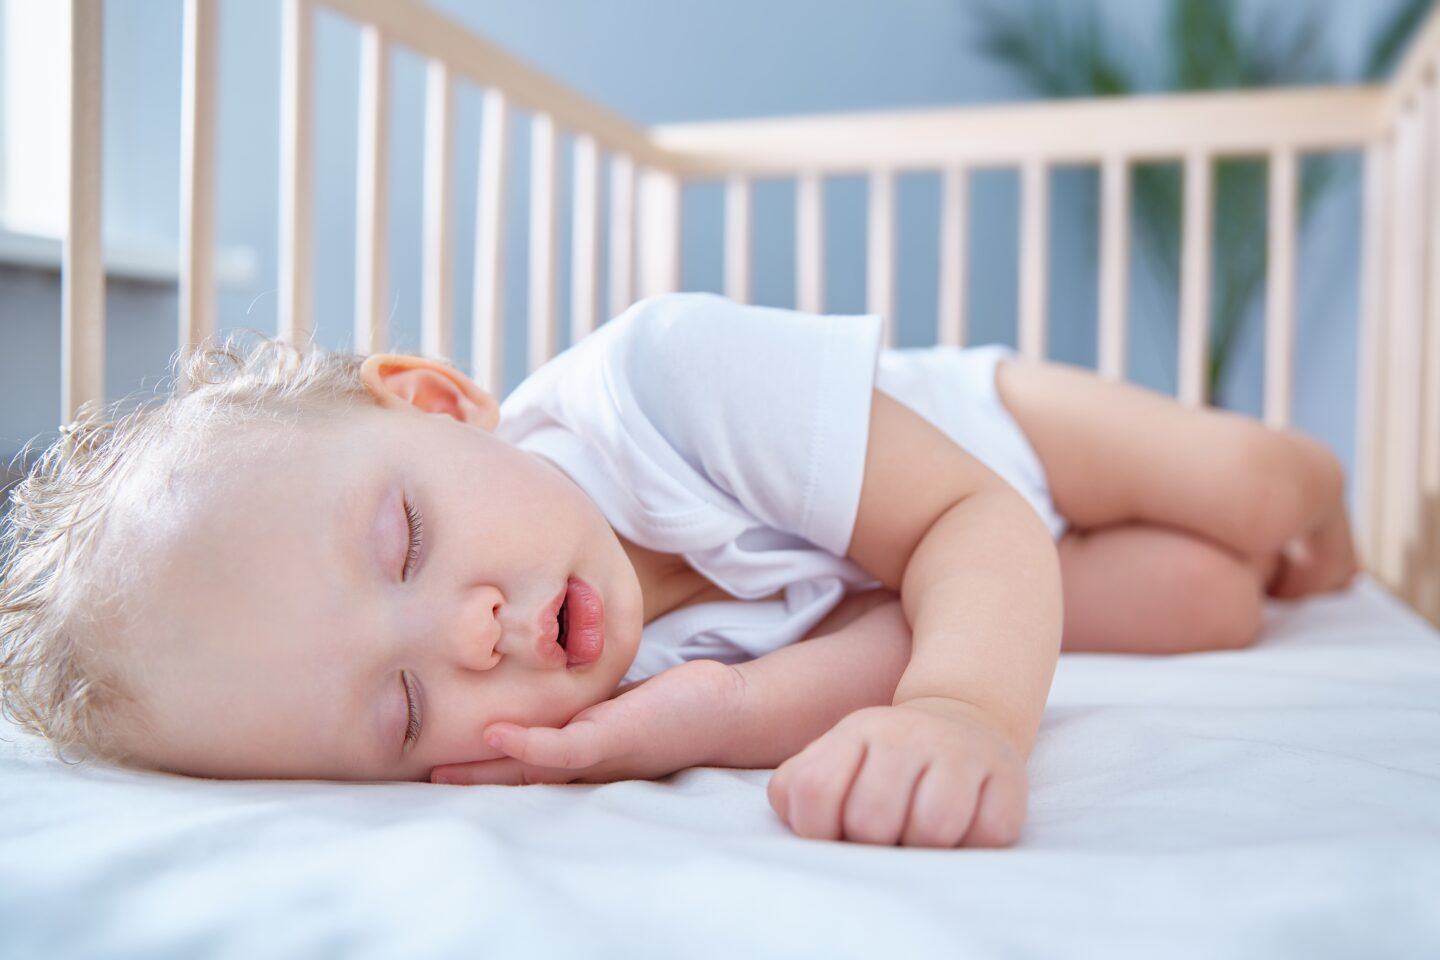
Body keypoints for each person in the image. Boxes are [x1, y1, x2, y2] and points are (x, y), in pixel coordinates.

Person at [0, 292, 1357, 849]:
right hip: (935, 592)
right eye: (402, 706)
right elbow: (875, 640)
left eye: (406, 541)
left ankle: (1325, 476)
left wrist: (966, 716)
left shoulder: (664, 385)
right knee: (1215, 605)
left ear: (436, 403)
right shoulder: (565, 711)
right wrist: (697, 722)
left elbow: (968, 532)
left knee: (1247, 495)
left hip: (981, 458)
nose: (468, 636)